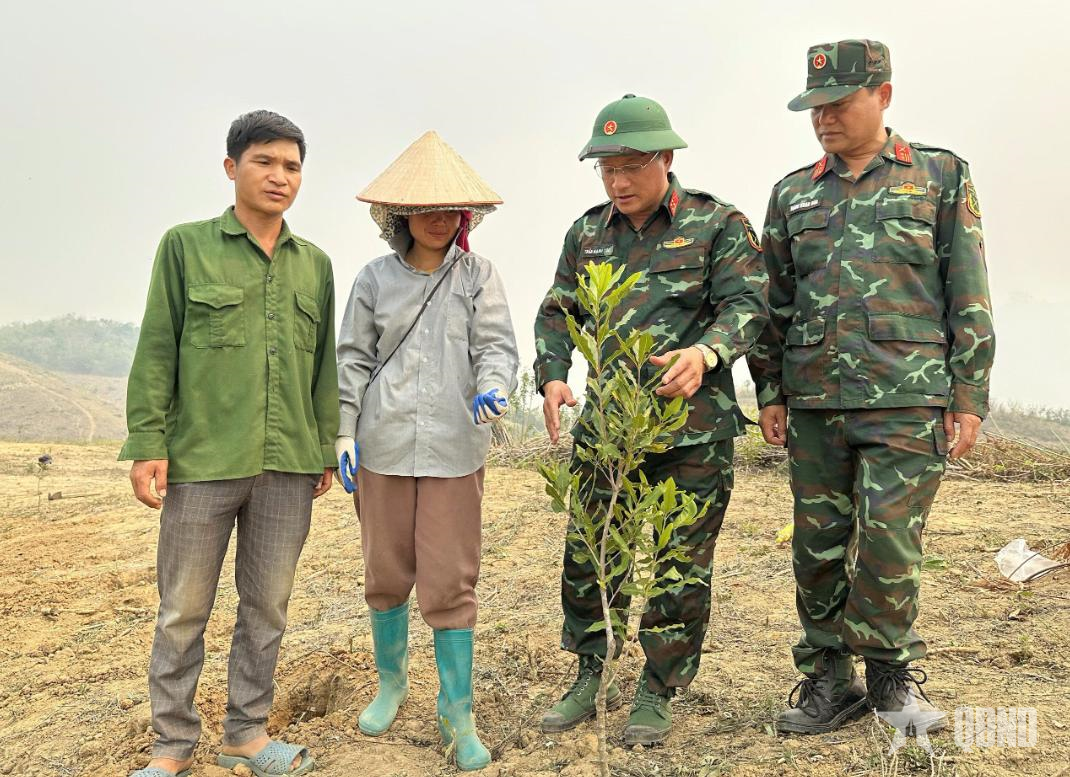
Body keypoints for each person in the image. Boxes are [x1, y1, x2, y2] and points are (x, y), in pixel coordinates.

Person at [747, 40, 995, 735]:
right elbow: (775, 301)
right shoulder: (794, 192)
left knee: (890, 546)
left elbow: (967, 290)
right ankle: (830, 679)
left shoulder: (940, 177)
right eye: (814, 107)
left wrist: (968, 395)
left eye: (838, 104)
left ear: (883, 95)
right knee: (817, 547)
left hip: (907, 397)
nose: (823, 118)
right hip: (816, 402)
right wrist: (768, 388)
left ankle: (889, 681)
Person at [533, 94, 768, 745]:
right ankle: (590, 670)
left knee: (679, 564)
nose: (619, 181)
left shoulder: (717, 224)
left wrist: (705, 351)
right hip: (610, 432)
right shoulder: (587, 234)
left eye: (632, 165)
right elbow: (558, 312)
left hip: (693, 436)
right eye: (607, 168)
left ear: (666, 156)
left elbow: (750, 303)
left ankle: (658, 685)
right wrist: (553, 374)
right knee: (591, 554)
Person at [119, 110, 337, 777]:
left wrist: (324, 448)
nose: (280, 176)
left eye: (292, 166)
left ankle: (246, 733)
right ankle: (171, 745)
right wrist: (147, 440)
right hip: (203, 460)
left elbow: (323, 364)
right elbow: (158, 347)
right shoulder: (185, 247)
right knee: (183, 608)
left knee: (266, 606)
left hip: (287, 465)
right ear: (231, 168)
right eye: (265, 162)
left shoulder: (315, 266)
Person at [335, 130, 519, 771]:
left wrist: (494, 388)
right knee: (386, 572)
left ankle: (456, 711)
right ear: (401, 214)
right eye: (425, 208)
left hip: (452, 448)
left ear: (464, 215)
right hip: (381, 448)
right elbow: (353, 360)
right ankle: (391, 683)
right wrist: (343, 432)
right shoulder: (373, 279)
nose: (439, 219)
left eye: (450, 209)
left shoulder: (478, 277)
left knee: (449, 578)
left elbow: (496, 346)